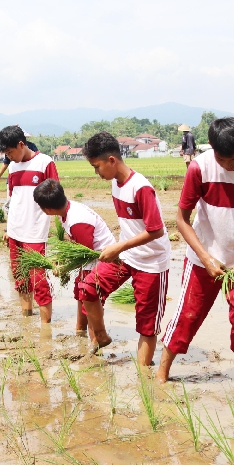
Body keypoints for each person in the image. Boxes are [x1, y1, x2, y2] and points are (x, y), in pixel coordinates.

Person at [158, 118, 234, 397]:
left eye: (233, 159)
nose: (227, 166)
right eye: (221, 159)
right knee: (188, 316)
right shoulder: (200, 167)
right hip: (202, 258)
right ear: (212, 150)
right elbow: (182, 219)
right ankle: (160, 376)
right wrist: (206, 258)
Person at [81, 132, 172, 364]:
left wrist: (118, 247)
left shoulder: (141, 187)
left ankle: (144, 375)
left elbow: (156, 230)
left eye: (97, 166)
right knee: (89, 288)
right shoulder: (115, 184)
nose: (96, 172)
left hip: (151, 262)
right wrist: (120, 249)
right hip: (127, 256)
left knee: (147, 322)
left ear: (111, 160)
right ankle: (101, 337)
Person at [33, 179, 116, 343]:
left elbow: (84, 254)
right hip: (92, 259)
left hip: (101, 261)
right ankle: (80, 332)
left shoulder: (77, 221)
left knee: (90, 298)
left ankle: (96, 343)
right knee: (81, 292)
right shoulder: (68, 210)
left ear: (47, 209)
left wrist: (63, 267)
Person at [0, 125, 59, 322]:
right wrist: (8, 229)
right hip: (15, 232)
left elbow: (57, 198)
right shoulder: (13, 167)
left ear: (21, 144)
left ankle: (45, 327)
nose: (9, 157)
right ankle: (26, 320)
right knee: (21, 279)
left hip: (34, 232)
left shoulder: (45, 163)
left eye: (10, 152)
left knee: (39, 280)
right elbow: (11, 199)